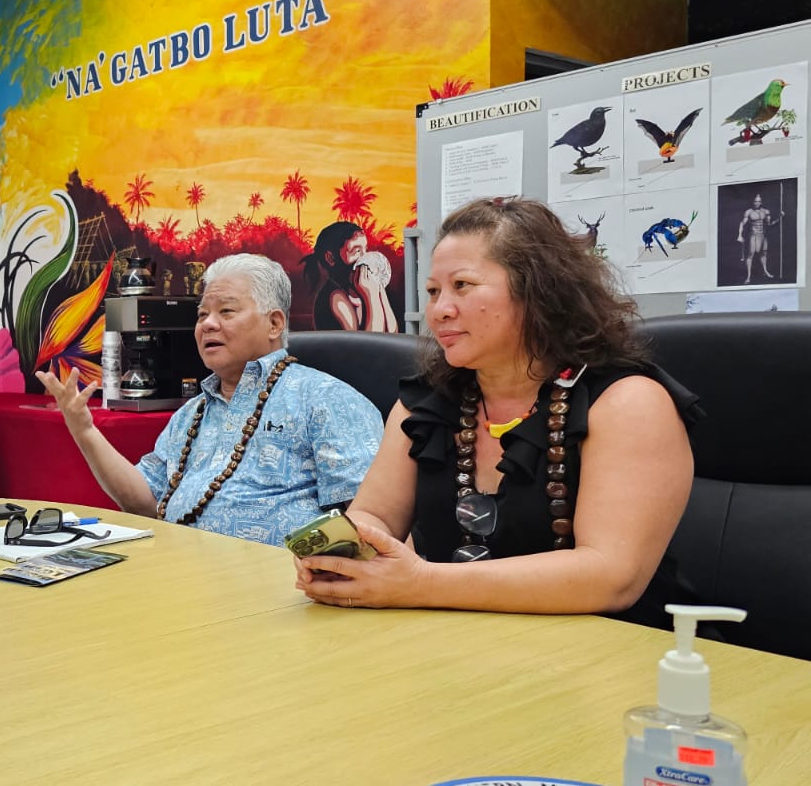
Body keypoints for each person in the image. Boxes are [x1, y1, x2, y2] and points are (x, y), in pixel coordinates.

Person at [293, 197, 699, 617]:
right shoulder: (424, 406)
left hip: (623, 656)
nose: (438, 311)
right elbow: (375, 515)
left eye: (462, 286)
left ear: (538, 289)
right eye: (433, 291)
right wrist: (343, 553)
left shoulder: (627, 403)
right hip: (460, 645)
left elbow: (611, 577)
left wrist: (420, 582)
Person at [37, 253, 383, 545]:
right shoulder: (191, 414)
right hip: (184, 581)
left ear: (275, 323)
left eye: (227, 312)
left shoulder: (327, 400)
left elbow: (373, 524)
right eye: (202, 315)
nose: (207, 325)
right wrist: (85, 431)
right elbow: (143, 503)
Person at [301, 220, 398, 331]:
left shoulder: (362, 290)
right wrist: (372, 297)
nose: (364, 258)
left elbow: (392, 333)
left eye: (365, 250)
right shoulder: (336, 297)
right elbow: (369, 345)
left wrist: (379, 289)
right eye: (356, 251)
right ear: (331, 258)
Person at [737, 192, 779, 283]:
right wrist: (739, 235)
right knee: (750, 255)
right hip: (753, 235)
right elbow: (742, 223)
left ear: (761, 202)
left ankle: (765, 271)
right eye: (755, 201)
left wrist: (779, 217)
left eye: (759, 201)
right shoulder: (749, 212)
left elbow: (769, 224)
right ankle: (748, 277)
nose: (757, 203)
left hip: (762, 235)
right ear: (753, 202)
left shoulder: (766, 211)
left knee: (764, 254)